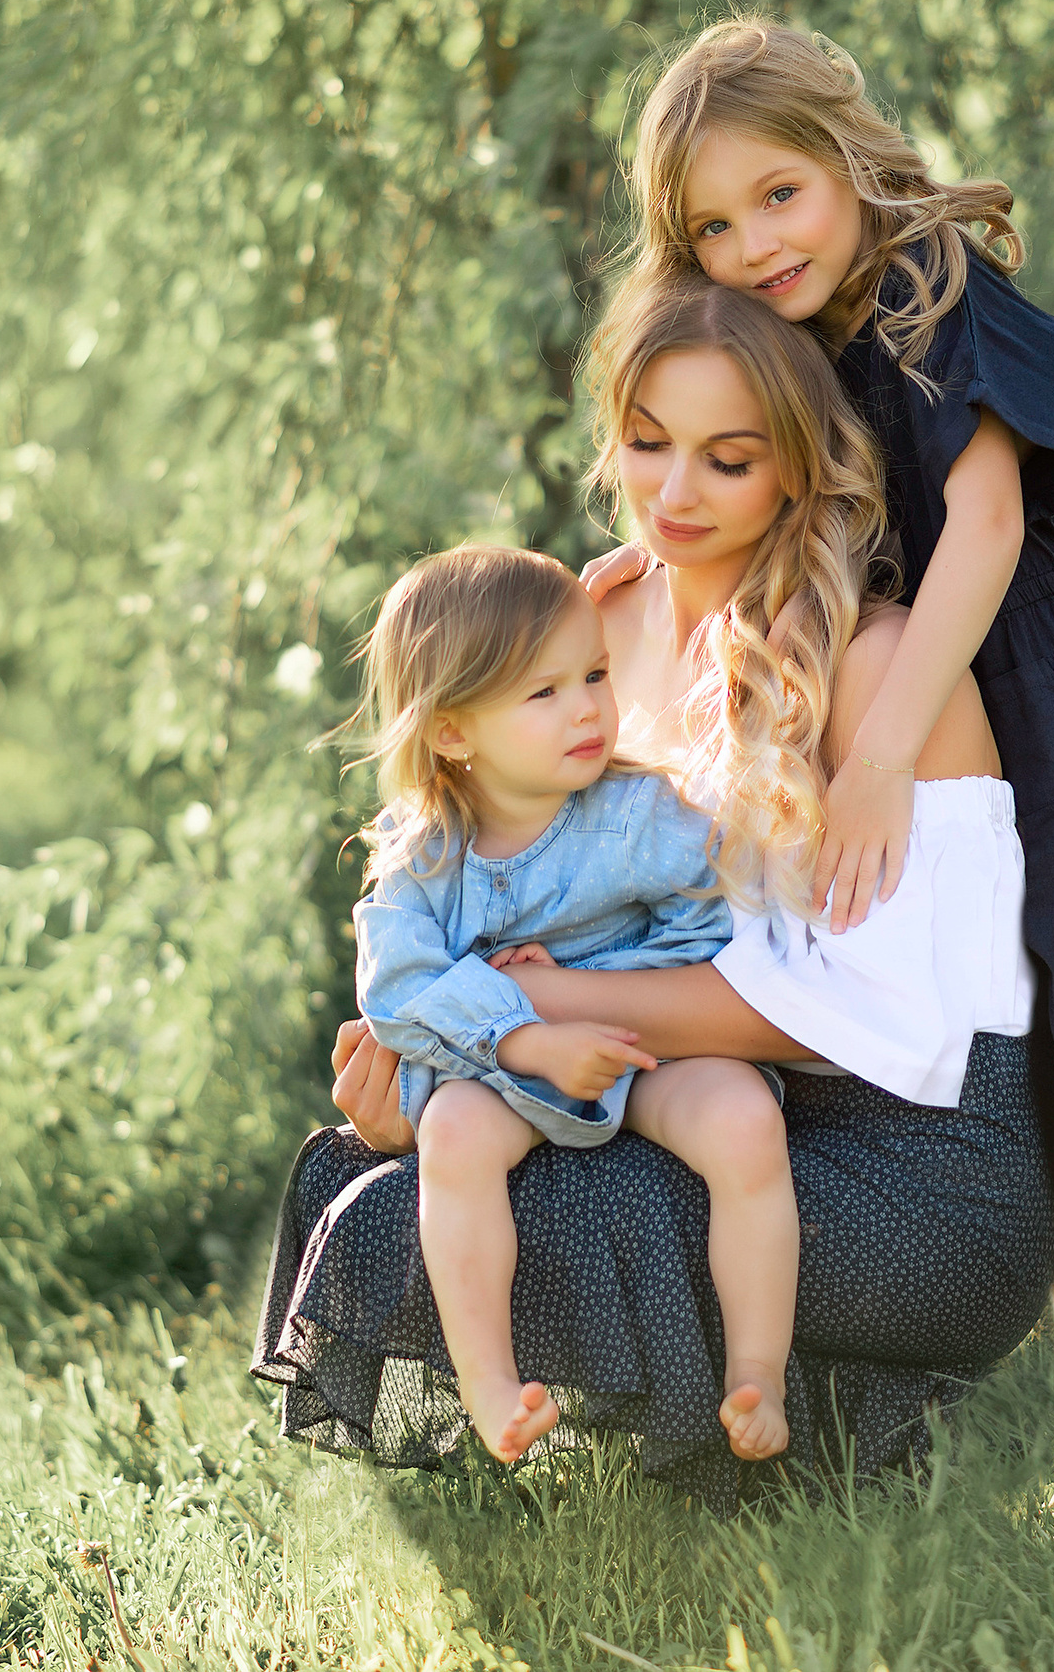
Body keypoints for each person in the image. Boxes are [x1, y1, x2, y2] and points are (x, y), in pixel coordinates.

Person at [587, 18, 1054, 1552]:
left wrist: (870, 756)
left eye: (778, 194)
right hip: (951, 722)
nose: (752, 242)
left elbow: (982, 533)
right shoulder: (797, 345)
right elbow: (760, 493)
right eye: (712, 226)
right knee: (1035, 1064)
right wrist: (659, 576)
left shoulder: (944, 298)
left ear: (853, 157)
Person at [256, 277, 1054, 1516]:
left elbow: (878, 1022)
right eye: (645, 444)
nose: (673, 494)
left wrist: (544, 1007)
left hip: (915, 1162)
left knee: (412, 1221)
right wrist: (451, 1057)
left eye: (726, 460)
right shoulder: (595, 620)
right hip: (687, 1095)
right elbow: (489, 878)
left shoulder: (880, 667)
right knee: (365, 1177)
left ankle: (783, 1411)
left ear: (794, 469)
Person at [348, 543, 797, 1464]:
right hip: (501, 1072)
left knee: (747, 1120)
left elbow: (717, 925)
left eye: (594, 673)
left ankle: (760, 1374)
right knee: (454, 1140)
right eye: (542, 693)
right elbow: (398, 986)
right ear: (453, 733)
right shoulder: (422, 851)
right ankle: (490, 1384)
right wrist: (523, 1037)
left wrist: (604, 983)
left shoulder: (639, 813)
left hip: (645, 1051)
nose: (588, 706)